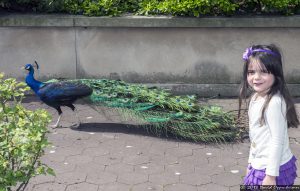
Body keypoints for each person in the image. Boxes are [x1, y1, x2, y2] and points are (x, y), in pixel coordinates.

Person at [238, 44, 299, 185]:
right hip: (259, 164)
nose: (256, 77)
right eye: (251, 72)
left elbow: (277, 140)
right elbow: (255, 137)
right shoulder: (255, 97)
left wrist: (271, 176)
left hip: (271, 169)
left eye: (264, 72)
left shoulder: (274, 102)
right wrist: (250, 164)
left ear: (276, 74)